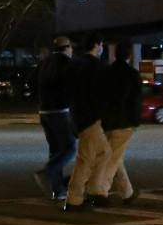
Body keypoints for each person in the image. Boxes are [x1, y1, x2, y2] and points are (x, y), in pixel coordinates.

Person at [89, 44, 143, 205]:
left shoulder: (105, 72)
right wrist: (135, 121)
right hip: (125, 121)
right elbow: (135, 100)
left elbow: (98, 96)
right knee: (113, 158)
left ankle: (127, 192)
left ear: (114, 55)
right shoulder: (132, 74)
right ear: (129, 56)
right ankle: (100, 191)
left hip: (106, 120)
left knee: (115, 157)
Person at [63, 35, 109, 211]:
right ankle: (74, 198)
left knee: (104, 152)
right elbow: (100, 94)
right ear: (97, 45)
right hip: (91, 117)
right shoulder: (97, 67)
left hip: (77, 115)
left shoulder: (75, 65)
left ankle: (95, 189)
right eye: (102, 45)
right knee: (86, 158)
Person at [32, 35, 76, 200]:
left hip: (44, 111)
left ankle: (58, 191)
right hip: (60, 111)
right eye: (71, 48)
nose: (72, 51)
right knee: (70, 148)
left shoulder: (45, 62)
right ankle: (47, 171)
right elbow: (73, 87)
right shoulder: (66, 63)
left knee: (55, 150)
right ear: (67, 48)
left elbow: (31, 81)